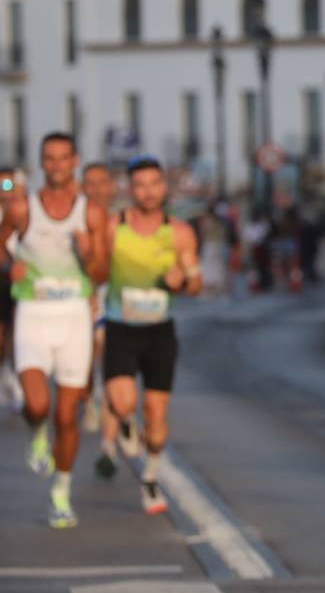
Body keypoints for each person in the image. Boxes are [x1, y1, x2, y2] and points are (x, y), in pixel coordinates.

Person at [0, 133, 109, 529]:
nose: (57, 165)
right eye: (49, 158)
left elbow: (102, 273)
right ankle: (37, 431)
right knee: (37, 404)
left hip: (74, 317)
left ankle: (61, 492)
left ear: (75, 161)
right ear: (42, 162)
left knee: (67, 415)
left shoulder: (90, 213)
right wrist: (9, 267)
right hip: (33, 311)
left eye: (64, 158)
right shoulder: (21, 208)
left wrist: (88, 255)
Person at [97, 155, 202, 514]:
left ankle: (151, 477)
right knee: (123, 403)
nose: (148, 192)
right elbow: (97, 271)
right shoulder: (114, 227)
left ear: (164, 187)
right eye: (140, 185)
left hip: (160, 332)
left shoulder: (180, 233)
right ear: (130, 189)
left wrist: (182, 281)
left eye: (154, 184)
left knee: (156, 419)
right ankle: (126, 424)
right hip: (121, 326)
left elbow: (197, 284)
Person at [81, 162, 116, 435]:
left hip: (113, 296)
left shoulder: (120, 221)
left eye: (101, 182)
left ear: (111, 186)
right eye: (90, 183)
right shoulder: (75, 220)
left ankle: (112, 406)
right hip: (81, 295)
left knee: (108, 351)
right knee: (88, 353)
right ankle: (90, 398)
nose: (96, 189)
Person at [0, 167, 24, 413]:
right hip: (2, 279)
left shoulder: (24, 210)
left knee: (19, 332)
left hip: (22, 281)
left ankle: (17, 378)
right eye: (2, 186)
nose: (5, 190)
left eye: (9, 185)